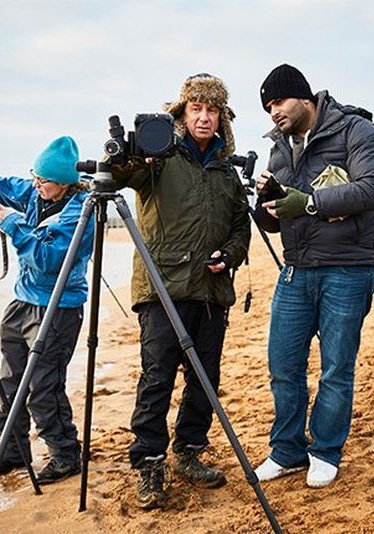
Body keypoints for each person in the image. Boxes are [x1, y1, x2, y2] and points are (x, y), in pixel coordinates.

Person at [107, 73, 250, 509]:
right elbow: (120, 175)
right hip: (161, 288)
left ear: (221, 117)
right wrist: (128, 155)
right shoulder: (159, 158)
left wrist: (229, 254)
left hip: (210, 289)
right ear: (182, 113)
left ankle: (188, 450)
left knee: (205, 379)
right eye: (196, 110)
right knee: (157, 378)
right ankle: (149, 461)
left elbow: (240, 226)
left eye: (212, 111)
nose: (204, 118)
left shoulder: (227, 169)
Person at [252, 64, 374, 488]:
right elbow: (284, 215)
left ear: (304, 97)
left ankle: (326, 451)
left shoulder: (356, 130)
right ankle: (288, 452)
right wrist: (268, 208)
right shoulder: (279, 148)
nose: (273, 112)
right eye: (268, 107)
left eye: (278, 101)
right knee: (283, 365)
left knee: (335, 367)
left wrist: (308, 202)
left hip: (349, 267)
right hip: (297, 269)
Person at [0, 135, 94, 484]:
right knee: (10, 382)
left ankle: (64, 454)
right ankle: (13, 450)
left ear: (64, 183)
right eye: (35, 177)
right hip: (21, 302)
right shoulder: (35, 193)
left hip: (58, 307)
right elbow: (1, 184)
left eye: (44, 181)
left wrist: (13, 224)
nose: (36, 185)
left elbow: (48, 260)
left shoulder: (82, 210)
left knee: (44, 386)